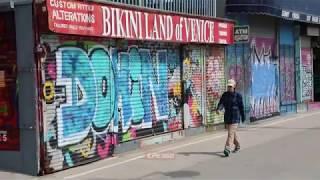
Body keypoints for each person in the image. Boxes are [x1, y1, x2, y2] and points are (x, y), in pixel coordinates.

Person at [216, 79, 245, 157]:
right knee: (232, 133)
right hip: (227, 117)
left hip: (235, 117)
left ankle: (227, 148)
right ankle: (238, 145)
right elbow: (221, 103)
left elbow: (241, 107)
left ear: (234, 86)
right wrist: (219, 109)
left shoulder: (238, 96)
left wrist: (243, 116)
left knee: (230, 134)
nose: (229, 88)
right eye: (228, 86)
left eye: (231, 86)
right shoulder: (225, 95)